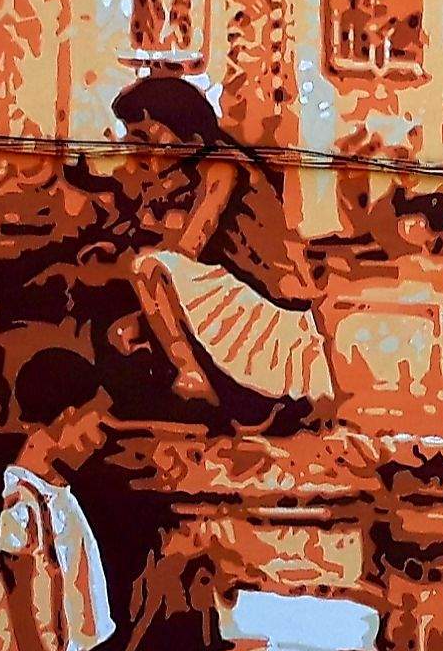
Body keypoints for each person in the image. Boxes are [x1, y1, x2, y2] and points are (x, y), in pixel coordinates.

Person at [105, 72, 329, 430]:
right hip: (253, 304)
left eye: (146, 137)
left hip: (279, 317)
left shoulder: (222, 165)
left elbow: (189, 246)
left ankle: (193, 378)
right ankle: (214, 395)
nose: (140, 151)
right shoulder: (194, 174)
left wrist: (143, 318)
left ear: (184, 129)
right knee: (135, 314)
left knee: (146, 269)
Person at [0, 349, 119, 651]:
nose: (100, 440)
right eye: (96, 423)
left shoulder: (55, 493)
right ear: (67, 416)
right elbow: (25, 611)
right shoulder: (21, 501)